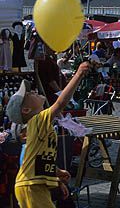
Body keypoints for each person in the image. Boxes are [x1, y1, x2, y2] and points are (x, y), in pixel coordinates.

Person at [6, 62, 90, 208]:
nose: (34, 92)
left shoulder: (39, 128)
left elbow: (40, 160)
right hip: (31, 185)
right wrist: (78, 75)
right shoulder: (36, 121)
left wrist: (56, 174)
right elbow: (60, 104)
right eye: (29, 94)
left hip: (32, 185)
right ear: (26, 110)